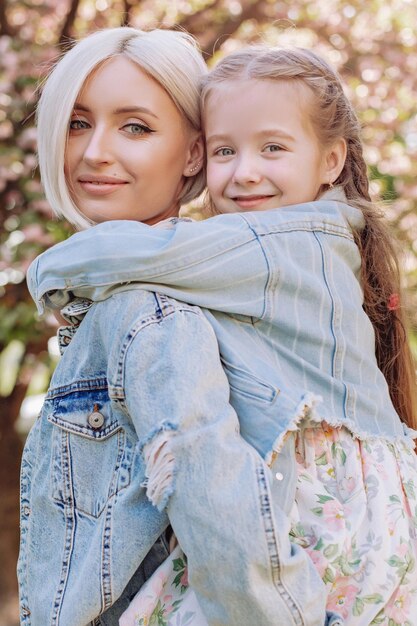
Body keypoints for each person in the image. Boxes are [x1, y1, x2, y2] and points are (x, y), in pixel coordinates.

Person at [28, 45, 417, 625]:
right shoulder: (212, 276)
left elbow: (213, 497)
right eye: (77, 122)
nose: (95, 151)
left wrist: (47, 272)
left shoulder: (165, 302)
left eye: (135, 126)